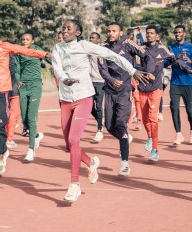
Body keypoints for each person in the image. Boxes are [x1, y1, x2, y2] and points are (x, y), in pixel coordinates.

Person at [52, 19, 149, 202]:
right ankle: (91, 162)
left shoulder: (85, 45)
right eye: (63, 28)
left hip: (83, 97)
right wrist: (65, 79)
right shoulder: (58, 48)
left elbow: (112, 56)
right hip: (65, 99)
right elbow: (56, 67)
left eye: (68, 28)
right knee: (69, 145)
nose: (64, 31)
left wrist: (132, 70)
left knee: (74, 140)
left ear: (78, 32)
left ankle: (74, 185)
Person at [0, 23, 50, 176]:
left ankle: (0, 159)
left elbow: (24, 50)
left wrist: (44, 54)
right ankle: (2, 151)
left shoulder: (5, 46)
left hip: (2, 92)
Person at [98, 22, 152, 175]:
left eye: (114, 31)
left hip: (125, 91)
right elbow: (102, 69)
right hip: (109, 90)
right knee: (109, 126)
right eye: (108, 31)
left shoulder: (127, 43)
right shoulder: (103, 48)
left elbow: (146, 53)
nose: (110, 33)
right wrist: (110, 80)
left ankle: (125, 163)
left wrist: (144, 70)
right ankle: (125, 138)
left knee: (121, 125)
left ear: (120, 32)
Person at [138, 24, 191, 161]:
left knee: (153, 118)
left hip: (156, 88)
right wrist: (144, 71)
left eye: (152, 33)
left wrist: (187, 68)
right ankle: (150, 136)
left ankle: (155, 150)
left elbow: (175, 60)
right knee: (144, 119)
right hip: (142, 87)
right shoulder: (141, 49)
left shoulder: (162, 49)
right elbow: (135, 65)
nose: (149, 35)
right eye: (147, 33)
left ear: (157, 36)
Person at [166, 25, 192, 145]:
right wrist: (173, 59)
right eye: (176, 33)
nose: (177, 34)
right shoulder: (170, 47)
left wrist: (191, 62)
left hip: (188, 83)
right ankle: (178, 134)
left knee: (189, 110)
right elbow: (165, 63)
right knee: (174, 108)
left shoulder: (191, 47)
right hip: (175, 83)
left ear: (184, 34)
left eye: (180, 32)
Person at [15, 32, 48, 161]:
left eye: (27, 39)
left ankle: (31, 149)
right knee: (24, 119)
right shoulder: (18, 52)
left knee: (31, 117)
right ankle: (36, 136)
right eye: (23, 39)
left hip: (35, 85)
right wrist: (18, 80)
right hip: (23, 86)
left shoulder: (37, 50)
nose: (24, 41)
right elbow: (16, 69)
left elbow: (49, 58)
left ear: (32, 41)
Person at [89, 32, 105, 142]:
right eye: (90, 38)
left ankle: (99, 130)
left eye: (93, 38)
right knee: (89, 107)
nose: (91, 39)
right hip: (89, 83)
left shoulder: (101, 51)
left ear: (98, 40)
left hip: (100, 82)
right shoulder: (86, 51)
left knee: (98, 107)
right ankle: (101, 120)